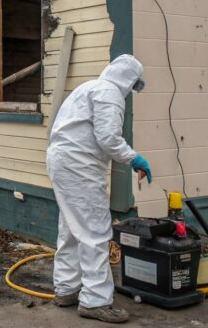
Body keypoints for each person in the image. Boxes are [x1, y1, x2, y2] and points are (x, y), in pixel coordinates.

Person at [46, 54, 153, 324]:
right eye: (133, 86)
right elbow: (108, 138)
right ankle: (96, 300)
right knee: (94, 229)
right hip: (79, 165)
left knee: (72, 227)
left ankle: (66, 288)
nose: (130, 92)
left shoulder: (87, 87)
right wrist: (133, 158)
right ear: (129, 80)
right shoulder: (110, 93)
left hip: (63, 161)